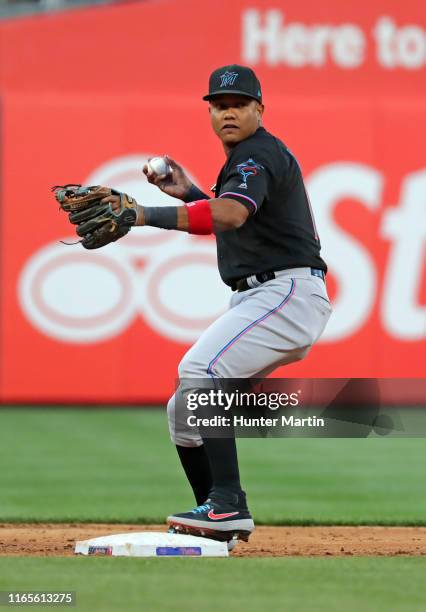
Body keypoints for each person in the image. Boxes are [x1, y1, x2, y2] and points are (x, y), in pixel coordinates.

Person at [103, 64, 332, 546]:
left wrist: (142, 214)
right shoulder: (247, 161)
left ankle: (229, 504)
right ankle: (215, 518)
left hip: (286, 293)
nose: (228, 112)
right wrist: (188, 194)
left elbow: (228, 215)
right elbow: (237, 218)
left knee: (203, 369)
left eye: (239, 104)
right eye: (219, 105)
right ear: (210, 112)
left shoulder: (258, 153)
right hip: (265, 294)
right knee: (184, 410)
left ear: (259, 110)